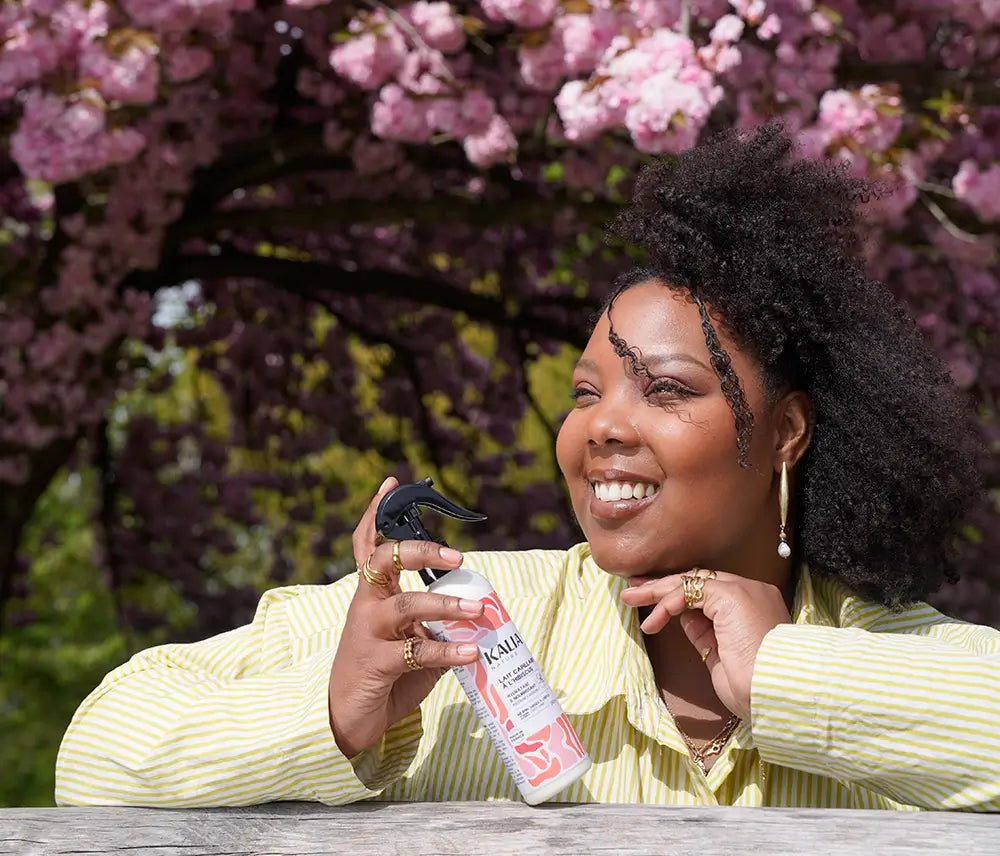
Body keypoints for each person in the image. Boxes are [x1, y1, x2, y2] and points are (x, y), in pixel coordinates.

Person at [56, 126, 1000, 810]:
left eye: (665, 391)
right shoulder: (459, 621)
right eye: (586, 394)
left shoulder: (885, 653)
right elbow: (97, 755)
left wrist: (790, 675)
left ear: (788, 431)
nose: (601, 429)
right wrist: (342, 711)